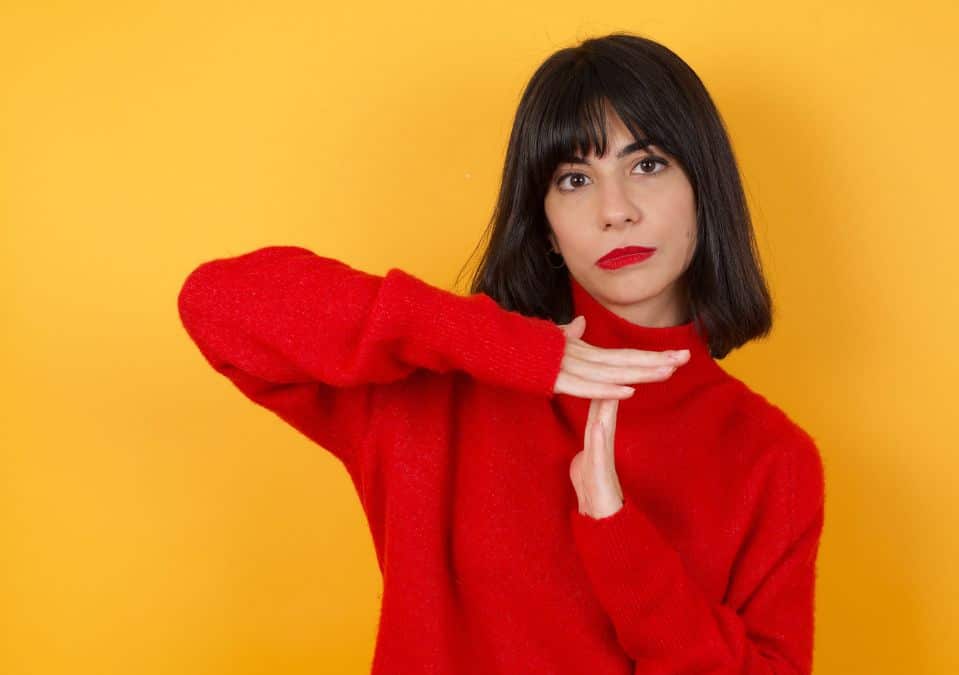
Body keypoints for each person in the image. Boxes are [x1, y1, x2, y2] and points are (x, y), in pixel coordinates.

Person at [177, 31, 825, 674]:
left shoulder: (772, 459)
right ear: (544, 224)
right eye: (575, 178)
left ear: (703, 187)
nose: (615, 210)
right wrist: (496, 343)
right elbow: (216, 303)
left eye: (647, 164)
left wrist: (616, 534)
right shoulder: (434, 391)